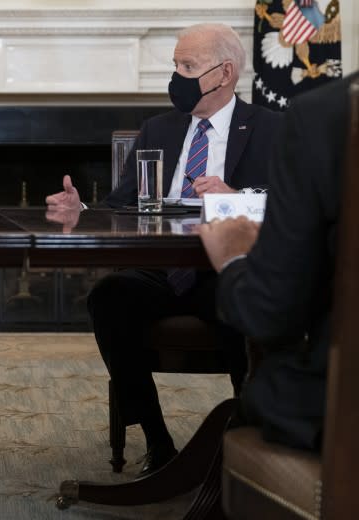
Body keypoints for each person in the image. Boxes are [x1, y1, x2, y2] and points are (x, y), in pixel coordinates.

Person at [46, 23, 282, 476]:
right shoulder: (159, 128)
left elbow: (291, 203)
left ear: (225, 72)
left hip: (222, 267)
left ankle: (250, 441)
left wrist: (233, 195)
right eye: (175, 65)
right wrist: (82, 209)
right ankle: (158, 443)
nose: (177, 76)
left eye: (188, 66)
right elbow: (122, 206)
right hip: (162, 267)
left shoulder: (272, 128)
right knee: (109, 296)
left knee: (242, 306)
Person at [199, 72, 355, 452]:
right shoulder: (159, 129)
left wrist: (235, 257)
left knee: (266, 387)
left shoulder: (326, 115)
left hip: (340, 406)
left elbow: (268, 314)